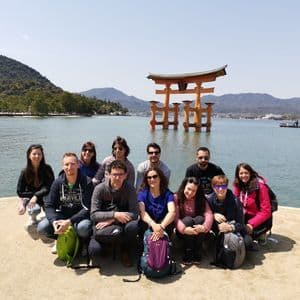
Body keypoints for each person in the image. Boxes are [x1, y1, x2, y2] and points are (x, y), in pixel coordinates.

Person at [37, 153, 94, 253]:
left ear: (78, 165)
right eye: (66, 164)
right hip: (62, 217)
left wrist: (70, 221)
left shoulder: (87, 182)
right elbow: (49, 205)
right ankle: (60, 239)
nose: (69, 167)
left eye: (72, 164)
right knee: (42, 227)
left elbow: (88, 208)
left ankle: (83, 242)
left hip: (80, 219)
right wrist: (54, 221)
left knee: (83, 228)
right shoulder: (57, 182)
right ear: (63, 166)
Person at [89, 160, 139, 267]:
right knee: (95, 252)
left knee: (133, 226)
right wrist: (114, 215)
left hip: (122, 222)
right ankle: (107, 246)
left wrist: (114, 219)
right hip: (103, 225)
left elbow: (135, 213)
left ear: (125, 175)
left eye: (120, 174)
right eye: (115, 174)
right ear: (109, 174)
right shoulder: (100, 189)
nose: (117, 178)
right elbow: (93, 214)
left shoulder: (130, 189)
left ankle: (125, 250)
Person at [174, 177, 213, 265]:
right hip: (183, 231)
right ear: (184, 186)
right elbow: (175, 218)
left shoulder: (201, 198)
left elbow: (209, 214)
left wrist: (204, 227)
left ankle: (197, 250)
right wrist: (184, 229)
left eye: (194, 190)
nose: (190, 193)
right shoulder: (177, 197)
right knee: (188, 220)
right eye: (188, 189)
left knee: (200, 219)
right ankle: (188, 250)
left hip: (198, 231)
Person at [233, 163, 272, 243]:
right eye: (241, 173)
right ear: (237, 175)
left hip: (259, 218)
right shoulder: (238, 185)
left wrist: (251, 224)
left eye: (246, 173)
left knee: (247, 239)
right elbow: (235, 202)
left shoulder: (260, 187)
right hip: (245, 215)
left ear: (250, 173)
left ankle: (261, 234)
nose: (243, 175)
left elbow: (266, 211)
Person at [17, 144, 54, 226]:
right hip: (32, 197)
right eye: (34, 154)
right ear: (29, 156)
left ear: (42, 155)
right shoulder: (24, 172)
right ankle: (31, 216)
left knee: (50, 211)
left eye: (39, 154)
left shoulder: (47, 169)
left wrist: (36, 196)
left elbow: (50, 187)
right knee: (33, 210)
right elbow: (20, 192)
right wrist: (34, 196)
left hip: (45, 196)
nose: (37, 156)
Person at [138, 167, 175, 250]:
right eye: (149, 177)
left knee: (170, 222)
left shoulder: (167, 194)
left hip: (163, 224)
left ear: (160, 178)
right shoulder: (142, 194)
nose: (152, 179)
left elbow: (172, 212)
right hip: (148, 223)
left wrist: (161, 227)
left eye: (155, 176)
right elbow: (142, 213)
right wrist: (153, 225)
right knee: (142, 224)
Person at [207, 175, 247, 242]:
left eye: (223, 186)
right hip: (217, 228)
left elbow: (241, 223)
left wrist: (230, 227)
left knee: (247, 242)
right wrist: (213, 215)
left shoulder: (235, 201)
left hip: (232, 226)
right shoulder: (209, 200)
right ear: (213, 187)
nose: (220, 189)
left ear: (227, 187)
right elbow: (204, 215)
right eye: (217, 186)